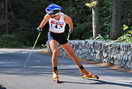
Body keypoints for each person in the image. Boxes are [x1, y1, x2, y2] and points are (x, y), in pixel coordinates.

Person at [37, 4, 99, 83]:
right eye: (49, 15)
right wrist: (39, 28)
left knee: (72, 54)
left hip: (61, 35)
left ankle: (84, 72)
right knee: (55, 51)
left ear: (57, 14)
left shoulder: (66, 18)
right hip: (52, 35)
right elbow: (42, 23)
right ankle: (55, 72)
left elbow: (71, 24)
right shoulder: (48, 16)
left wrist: (71, 29)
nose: (50, 16)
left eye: (52, 15)